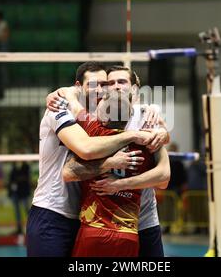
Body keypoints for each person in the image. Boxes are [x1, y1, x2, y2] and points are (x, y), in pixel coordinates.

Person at [25, 62, 155, 257]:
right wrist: (130, 137)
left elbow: (125, 107)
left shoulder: (100, 119)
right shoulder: (59, 106)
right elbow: (85, 149)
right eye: (94, 85)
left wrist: (150, 112)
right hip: (52, 211)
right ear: (79, 87)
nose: (101, 90)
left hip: (82, 218)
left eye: (105, 84)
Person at [64, 90, 170, 256]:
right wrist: (162, 132)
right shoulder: (146, 144)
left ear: (105, 118)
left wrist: (68, 92)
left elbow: (73, 103)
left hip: (93, 231)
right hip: (128, 235)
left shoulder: (94, 132)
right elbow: (164, 177)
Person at [8, 161, 31, 235]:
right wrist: (11, 192)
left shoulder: (26, 166)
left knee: (27, 210)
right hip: (15, 193)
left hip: (24, 192)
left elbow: (26, 178)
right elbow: (11, 180)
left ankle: (31, 227)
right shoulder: (13, 166)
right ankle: (19, 228)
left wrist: (17, 179)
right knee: (17, 212)